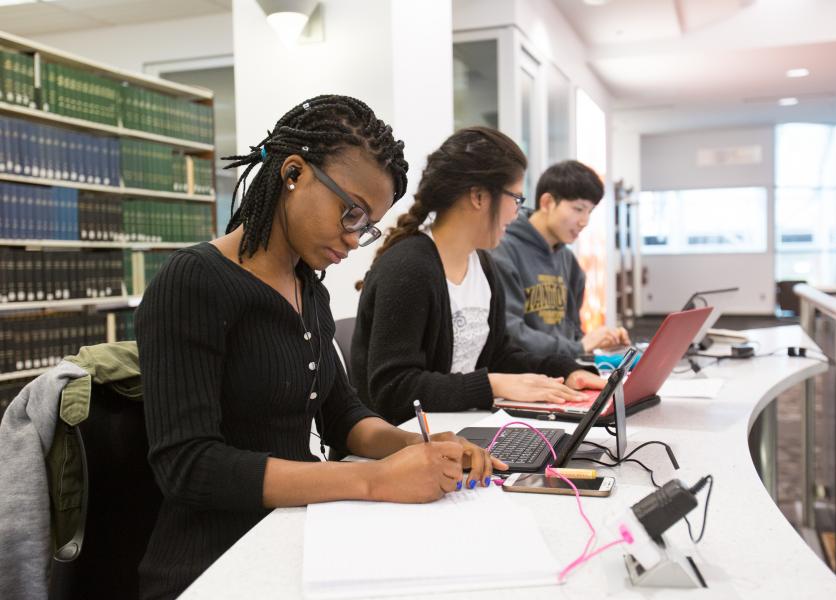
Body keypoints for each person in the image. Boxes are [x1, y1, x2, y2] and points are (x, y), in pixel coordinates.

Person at [135, 96, 503, 600]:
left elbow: (342, 415)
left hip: (296, 532)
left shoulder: (308, 286)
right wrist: (374, 483)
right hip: (213, 563)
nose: (354, 240)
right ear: (293, 173)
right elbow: (190, 466)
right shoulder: (193, 281)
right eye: (351, 213)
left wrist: (419, 447)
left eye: (367, 225)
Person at [350, 127, 606, 426]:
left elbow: (499, 354)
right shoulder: (409, 267)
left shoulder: (483, 264)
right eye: (516, 199)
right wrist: (491, 385)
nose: (517, 213)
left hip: (457, 432)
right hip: (397, 449)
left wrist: (565, 370)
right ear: (479, 196)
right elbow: (393, 390)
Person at [491, 160, 630, 358]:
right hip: (524, 377)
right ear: (547, 203)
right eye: (578, 209)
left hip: (563, 371)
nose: (584, 221)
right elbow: (510, 333)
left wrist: (599, 344)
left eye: (589, 212)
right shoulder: (502, 250)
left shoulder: (568, 260)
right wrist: (579, 347)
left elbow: (571, 333)